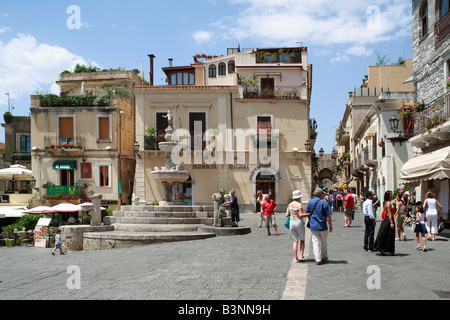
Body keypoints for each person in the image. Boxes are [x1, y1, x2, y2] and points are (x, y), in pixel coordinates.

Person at [306, 188, 333, 265]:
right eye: (323, 193)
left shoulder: (310, 202)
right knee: (324, 242)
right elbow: (328, 216)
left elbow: (308, 214)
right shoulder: (324, 203)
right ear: (321, 194)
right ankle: (324, 256)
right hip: (322, 226)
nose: (323, 194)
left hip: (313, 226)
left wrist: (311, 220)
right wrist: (330, 225)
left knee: (315, 242)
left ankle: (318, 259)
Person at [286, 190, 310, 262]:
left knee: (295, 241)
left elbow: (286, 214)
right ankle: (301, 256)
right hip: (298, 222)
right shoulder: (299, 204)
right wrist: (308, 214)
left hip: (291, 222)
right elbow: (300, 215)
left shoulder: (289, 204)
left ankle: (295, 258)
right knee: (302, 240)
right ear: (299, 197)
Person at [374, 191, 396, 256]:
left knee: (386, 234)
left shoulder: (385, 202)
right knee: (390, 235)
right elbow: (389, 213)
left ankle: (384, 248)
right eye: (391, 194)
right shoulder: (388, 203)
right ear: (388, 195)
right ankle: (388, 249)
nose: (392, 195)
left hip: (386, 219)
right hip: (388, 219)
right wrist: (391, 223)